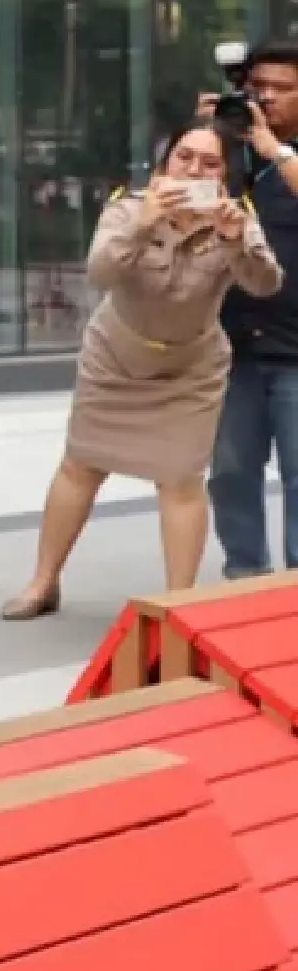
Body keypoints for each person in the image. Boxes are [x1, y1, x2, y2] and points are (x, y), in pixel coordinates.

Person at [4, 120, 281, 618]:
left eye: (209, 162)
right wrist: (143, 223)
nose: (193, 169)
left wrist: (238, 240)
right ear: (164, 162)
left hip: (190, 367)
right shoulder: (128, 206)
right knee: (81, 465)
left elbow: (265, 284)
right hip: (116, 357)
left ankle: (178, 604)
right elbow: (101, 273)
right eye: (184, 157)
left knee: (180, 480)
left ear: (226, 177)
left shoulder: (235, 218)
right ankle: (43, 582)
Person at [207, 43, 298, 576]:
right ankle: (244, 579)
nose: (266, 97)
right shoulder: (234, 153)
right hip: (233, 348)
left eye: (282, 88)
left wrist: (272, 147)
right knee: (230, 474)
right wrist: (209, 143)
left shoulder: (277, 158)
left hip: (295, 354)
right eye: (258, 86)